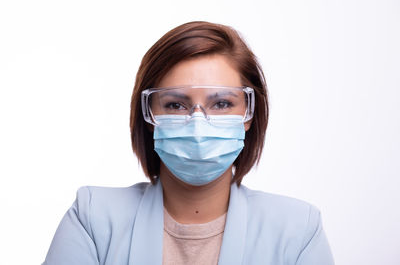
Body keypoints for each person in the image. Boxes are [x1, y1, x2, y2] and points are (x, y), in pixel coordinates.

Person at [43, 21, 334, 265]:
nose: (197, 124)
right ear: (149, 115)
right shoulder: (93, 219)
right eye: (175, 105)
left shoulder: (297, 230)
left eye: (221, 103)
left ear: (248, 115)